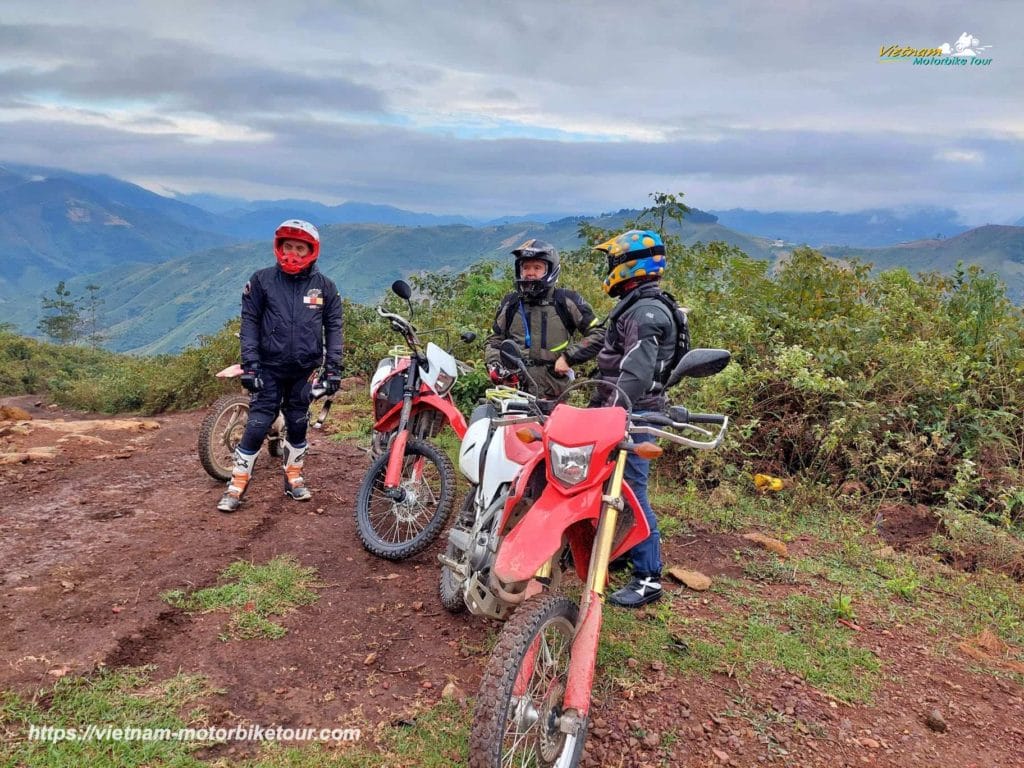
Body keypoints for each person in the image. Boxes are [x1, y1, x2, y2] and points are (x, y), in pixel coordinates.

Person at [217, 219, 344, 513]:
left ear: (312, 251)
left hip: (304, 369)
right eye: (288, 247)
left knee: (298, 422)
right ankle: (237, 483)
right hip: (267, 367)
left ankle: (294, 477)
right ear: (279, 247)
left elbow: (334, 328)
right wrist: (250, 365)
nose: (293, 254)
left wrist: (334, 368)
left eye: (300, 248)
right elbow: (249, 323)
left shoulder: (325, 287)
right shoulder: (261, 281)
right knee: (258, 423)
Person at [591, 229, 688, 607]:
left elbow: (637, 371)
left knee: (630, 491)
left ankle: (648, 578)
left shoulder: (646, 312)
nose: (609, 269)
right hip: (623, 408)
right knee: (603, 482)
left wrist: (613, 412)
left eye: (612, 262)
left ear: (628, 265)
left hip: (635, 411)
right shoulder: (636, 304)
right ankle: (613, 551)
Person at [484, 239, 604, 398]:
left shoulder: (566, 301)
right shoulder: (511, 302)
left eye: (537, 267)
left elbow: (600, 334)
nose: (530, 272)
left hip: (554, 393)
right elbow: (494, 340)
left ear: (550, 270)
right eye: (525, 267)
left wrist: (569, 357)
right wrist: (496, 365)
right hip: (515, 392)